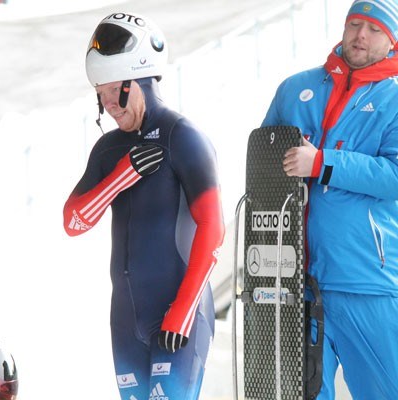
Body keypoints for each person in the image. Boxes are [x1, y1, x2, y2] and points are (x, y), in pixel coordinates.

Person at [63, 12, 225, 400]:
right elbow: (72, 221)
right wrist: (120, 177)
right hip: (126, 319)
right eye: (99, 92)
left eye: (111, 89)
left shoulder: (182, 137)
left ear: (138, 80)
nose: (105, 103)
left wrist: (183, 310)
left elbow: (213, 228)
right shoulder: (108, 149)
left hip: (178, 315)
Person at [262, 1, 398, 398]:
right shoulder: (294, 89)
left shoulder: (394, 99)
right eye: (355, 24)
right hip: (294, 279)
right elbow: (262, 165)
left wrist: (322, 162)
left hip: (366, 279)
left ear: (392, 40)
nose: (360, 35)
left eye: (374, 29)